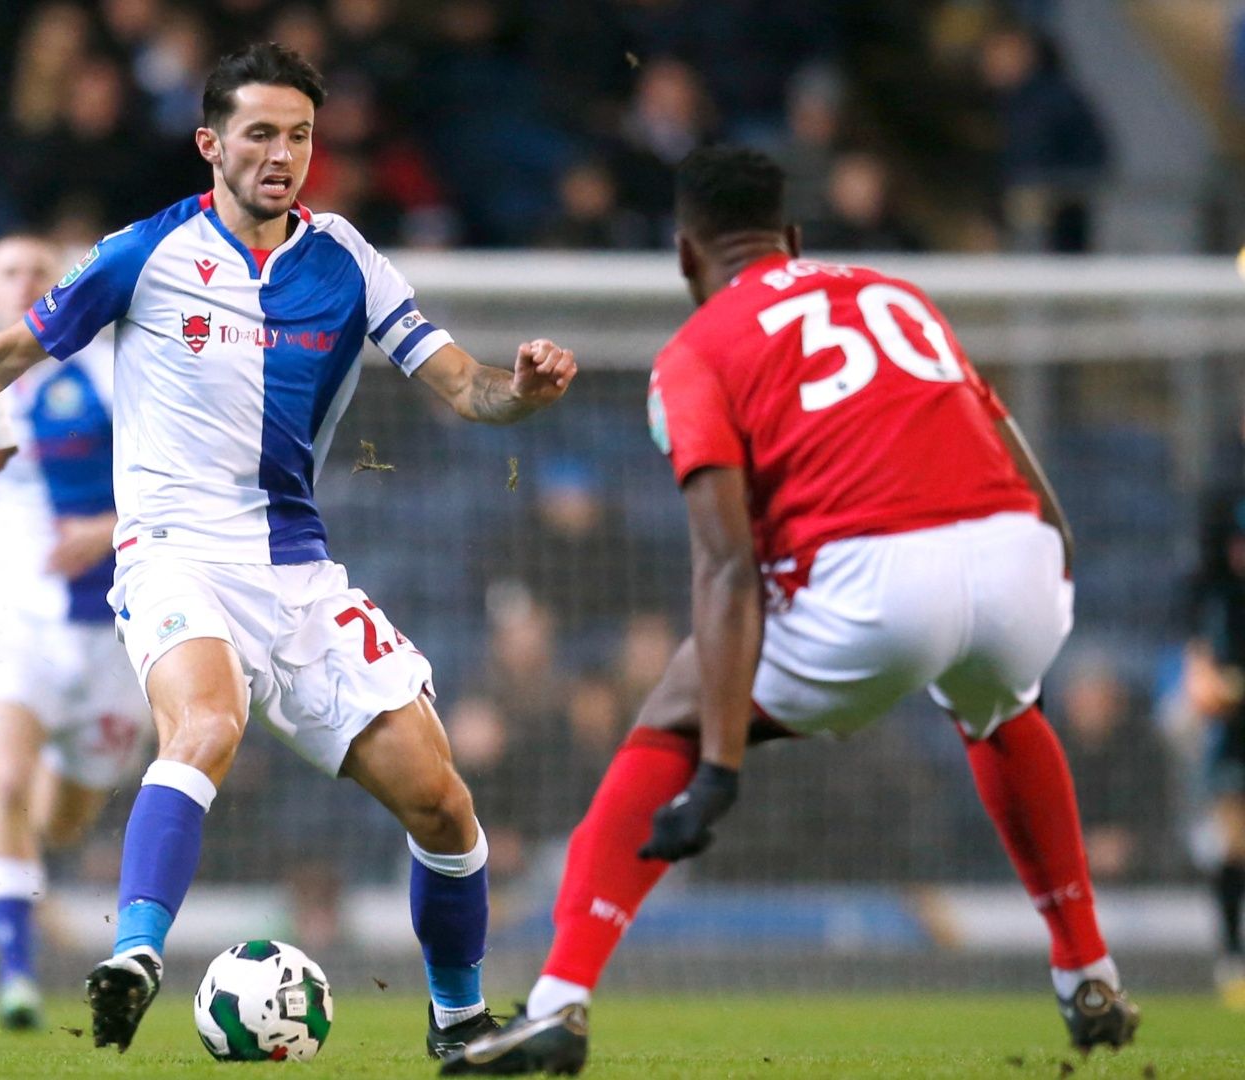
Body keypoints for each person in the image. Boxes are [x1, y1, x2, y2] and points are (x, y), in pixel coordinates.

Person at [0, 42, 575, 1058]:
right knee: (206, 721)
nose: (282, 154)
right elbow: (1, 357)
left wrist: (520, 389)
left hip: (298, 574)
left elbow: (465, 388)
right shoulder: (145, 253)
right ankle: (134, 953)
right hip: (172, 553)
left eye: (299, 136)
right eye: (260, 133)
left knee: (442, 803)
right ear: (211, 142)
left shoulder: (346, 259)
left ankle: (461, 1024)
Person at [445, 146, 1138, 1076]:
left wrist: (720, 765)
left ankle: (560, 1001)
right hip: (1020, 555)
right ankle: (1087, 970)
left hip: (880, 588)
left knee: (673, 711)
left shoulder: (695, 350)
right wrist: (1046, 574)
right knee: (1002, 707)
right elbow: (1013, 454)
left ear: (687, 256)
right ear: (796, 238)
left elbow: (728, 567)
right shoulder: (900, 297)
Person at [0, 234, 152, 1030]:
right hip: (11, 616)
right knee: (7, 787)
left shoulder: (118, 377)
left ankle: (31, 883)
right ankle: (16, 977)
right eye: (8, 274)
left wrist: (105, 528)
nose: (24, 283)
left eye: (40, 273)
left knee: (61, 820)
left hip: (114, 631)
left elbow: (178, 489)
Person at [1184, 427, 1245, 1009]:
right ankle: (1234, 958)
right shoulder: (1224, 490)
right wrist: (1200, 665)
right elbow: (1200, 589)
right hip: (1234, 689)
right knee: (1234, 833)